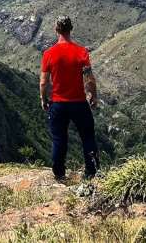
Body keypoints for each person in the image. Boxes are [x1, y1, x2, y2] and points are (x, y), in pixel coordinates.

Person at [40, 15, 99, 180]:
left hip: (58, 104)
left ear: (56, 30)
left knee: (59, 140)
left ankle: (59, 174)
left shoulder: (49, 54)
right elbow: (89, 79)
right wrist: (93, 96)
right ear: (71, 29)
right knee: (88, 137)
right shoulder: (81, 52)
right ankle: (92, 172)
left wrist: (44, 100)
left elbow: (44, 82)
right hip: (79, 103)